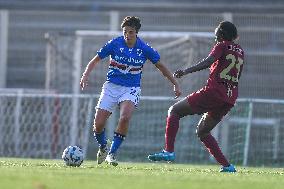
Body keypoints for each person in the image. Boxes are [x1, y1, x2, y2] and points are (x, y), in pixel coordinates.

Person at [80, 16, 181, 166]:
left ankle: (112, 154)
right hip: (111, 86)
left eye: (131, 32)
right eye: (125, 31)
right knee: (98, 125)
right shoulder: (114, 43)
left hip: (131, 88)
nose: (127, 35)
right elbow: (95, 60)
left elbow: (161, 66)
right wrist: (85, 75)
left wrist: (175, 83)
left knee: (125, 117)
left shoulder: (144, 48)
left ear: (137, 33)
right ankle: (103, 146)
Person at [148, 21, 244, 173]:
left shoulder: (222, 45)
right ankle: (228, 166)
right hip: (229, 98)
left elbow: (208, 62)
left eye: (217, 34)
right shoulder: (240, 51)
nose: (215, 37)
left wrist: (186, 71)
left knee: (174, 111)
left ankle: (169, 151)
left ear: (222, 34)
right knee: (203, 131)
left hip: (214, 92)